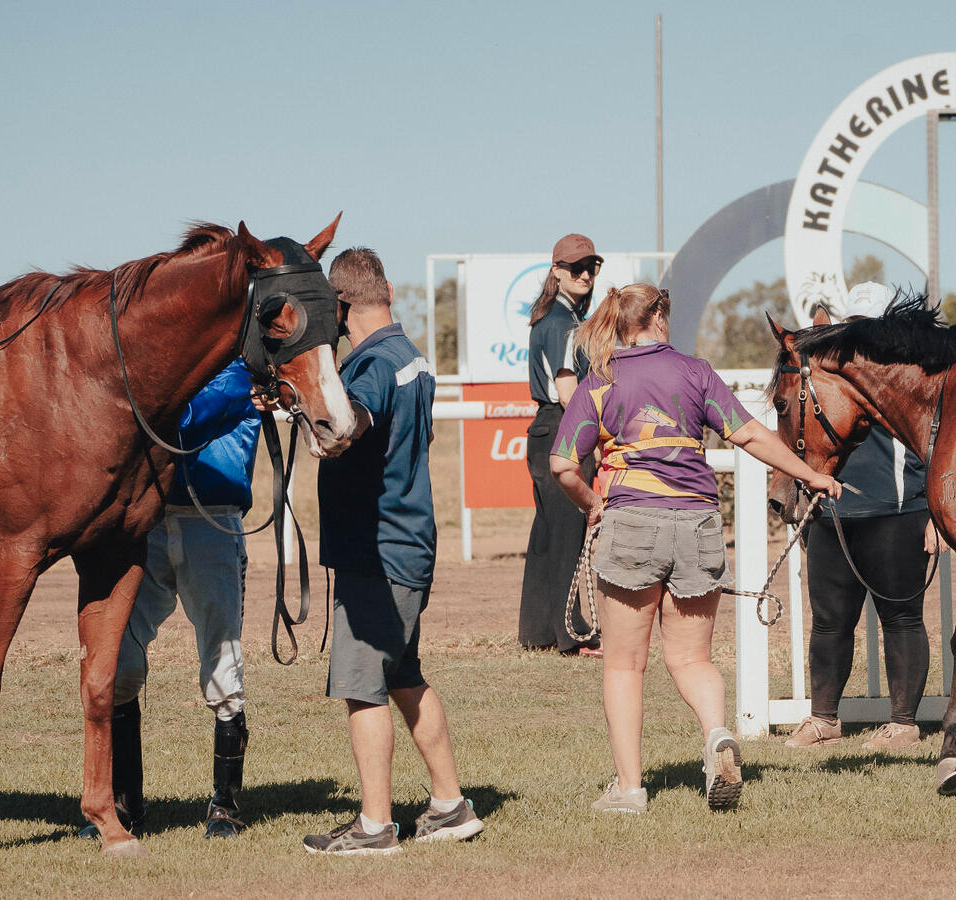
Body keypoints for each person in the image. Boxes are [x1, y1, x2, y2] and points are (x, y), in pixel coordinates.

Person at [551, 283, 839, 815]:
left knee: (624, 666)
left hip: (632, 521)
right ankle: (716, 737)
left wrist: (592, 502)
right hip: (699, 522)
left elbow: (563, 465)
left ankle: (630, 790)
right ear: (659, 317)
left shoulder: (601, 381)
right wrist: (811, 476)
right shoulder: (696, 372)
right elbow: (750, 435)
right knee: (692, 658)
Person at [304, 247, 483, 855]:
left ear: (341, 305)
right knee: (403, 676)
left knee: (363, 686)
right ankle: (450, 805)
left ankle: (376, 827)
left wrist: (322, 428)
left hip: (377, 554)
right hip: (408, 544)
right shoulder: (412, 359)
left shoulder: (375, 364)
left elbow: (349, 423)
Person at [89, 357, 260, 839]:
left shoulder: (237, 375)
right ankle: (125, 807)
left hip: (213, 524)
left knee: (221, 661)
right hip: (149, 523)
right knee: (120, 661)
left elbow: (179, 424)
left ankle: (224, 805)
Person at [784, 283, 938, 751]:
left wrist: (935, 515)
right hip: (832, 511)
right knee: (829, 622)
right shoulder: (825, 366)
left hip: (898, 509)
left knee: (903, 618)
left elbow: (939, 442)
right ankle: (823, 720)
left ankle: (904, 724)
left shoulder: (913, 370)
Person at [519, 233, 602, 656]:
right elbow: (570, 392)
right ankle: (573, 634)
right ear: (557, 272)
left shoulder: (548, 318)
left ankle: (538, 632)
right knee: (569, 533)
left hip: (544, 430)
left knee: (547, 536)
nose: (586, 274)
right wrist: (597, 435)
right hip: (564, 427)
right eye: (577, 267)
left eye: (592, 267)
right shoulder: (565, 324)